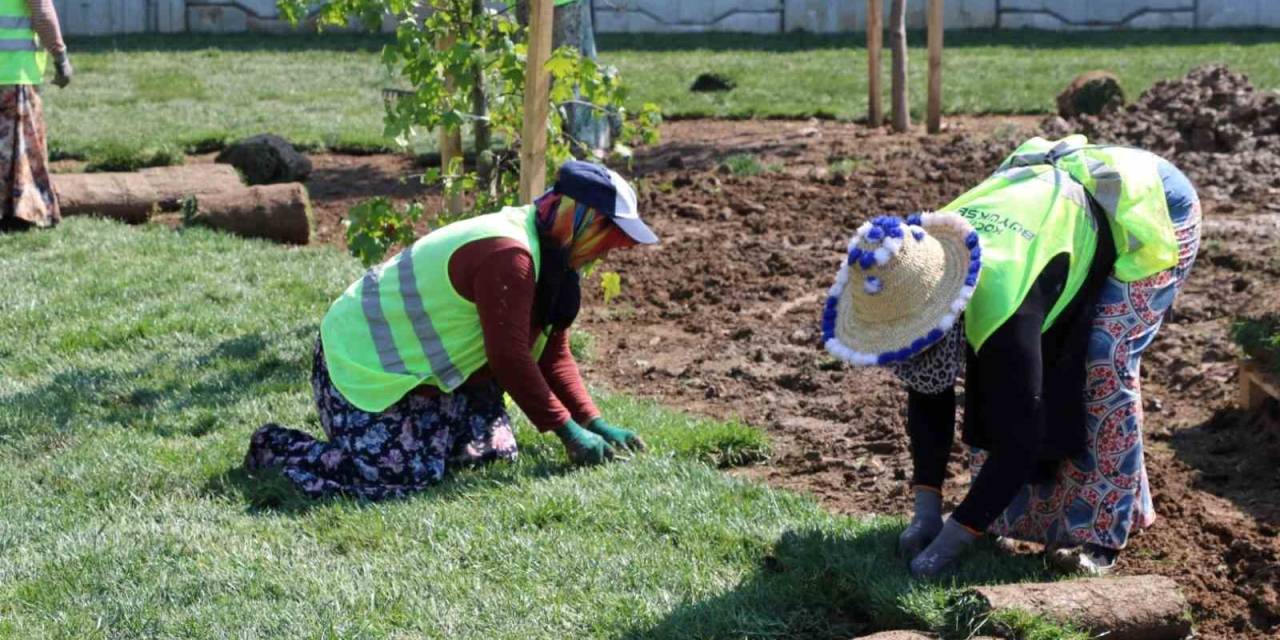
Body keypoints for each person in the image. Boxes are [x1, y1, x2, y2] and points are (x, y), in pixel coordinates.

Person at [821, 135, 1201, 578]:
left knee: (1101, 362)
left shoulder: (1004, 300)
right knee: (997, 382)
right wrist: (926, 505)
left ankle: (1099, 533)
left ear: (940, 307)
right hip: (1050, 209)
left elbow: (1022, 433)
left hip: (1146, 207)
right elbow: (930, 391)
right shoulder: (917, 261)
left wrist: (954, 538)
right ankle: (1001, 516)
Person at [245, 161, 658, 500]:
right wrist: (567, 433)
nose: (611, 251)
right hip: (362, 368)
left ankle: (422, 431)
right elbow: (510, 359)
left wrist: (594, 422)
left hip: (426, 377)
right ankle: (277, 446)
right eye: (611, 236)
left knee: (491, 456)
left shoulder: (554, 253)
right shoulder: (510, 255)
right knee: (403, 479)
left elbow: (551, 352)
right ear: (583, 218)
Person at [0, 0, 70, 232]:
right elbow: (42, 13)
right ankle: (22, 211)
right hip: (13, 71)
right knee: (22, 148)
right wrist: (61, 58)